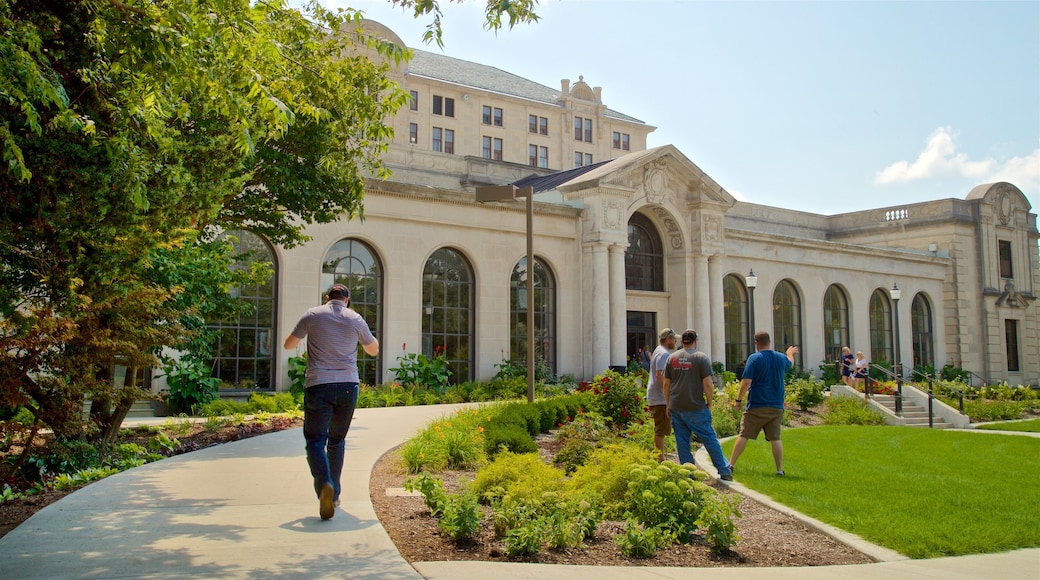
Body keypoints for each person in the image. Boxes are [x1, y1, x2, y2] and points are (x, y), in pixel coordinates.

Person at [284, 283, 379, 520]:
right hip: (348, 386)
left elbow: (289, 345)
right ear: (347, 300)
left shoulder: (312, 315)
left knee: (316, 440)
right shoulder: (355, 318)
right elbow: (373, 350)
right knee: (337, 441)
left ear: (327, 298)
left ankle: (324, 484)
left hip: (319, 385)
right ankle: (334, 494)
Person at [662, 329, 733, 481]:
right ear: (695, 341)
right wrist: (709, 402)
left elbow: (666, 384)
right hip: (695, 406)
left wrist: (668, 404)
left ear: (682, 342)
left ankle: (688, 473)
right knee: (709, 438)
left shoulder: (672, 358)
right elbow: (707, 383)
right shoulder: (701, 358)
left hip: (676, 406)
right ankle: (724, 469)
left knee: (682, 442)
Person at [728, 331, 797, 477]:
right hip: (776, 405)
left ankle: (731, 465)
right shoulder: (780, 358)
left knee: (744, 434)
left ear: (756, 343)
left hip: (757, 404)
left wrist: (739, 400)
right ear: (769, 341)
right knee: (775, 438)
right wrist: (789, 353)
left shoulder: (754, 358)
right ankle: (779, 470)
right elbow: (790, 363)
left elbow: (746, 381)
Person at [647, 328, 677, 461]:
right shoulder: (664, 354)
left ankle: (660, 455)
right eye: (674, 339)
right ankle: (660, 458)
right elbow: (660, 374)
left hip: (657, 396)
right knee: (661, 428)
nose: (675, 341)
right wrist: (667, 393)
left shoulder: (658, 351)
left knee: (661, 427)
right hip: (660, 398)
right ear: (668, 339)